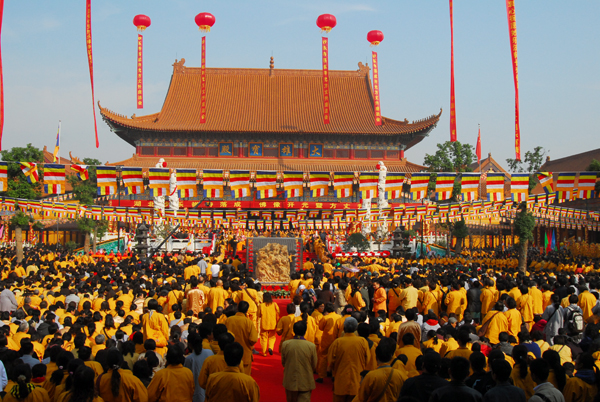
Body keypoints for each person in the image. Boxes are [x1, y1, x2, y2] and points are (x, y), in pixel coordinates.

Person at [327, 317, 371, 402]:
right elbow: (367, 360)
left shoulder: (337, 342)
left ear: (344, 328)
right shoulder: (362, 341)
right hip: (357, 381)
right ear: (356, 329)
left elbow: (331, 362)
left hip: (341, 381)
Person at [354, 337, 406, 402]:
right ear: (391, 356)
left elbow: (362, 397)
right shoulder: (400, 375)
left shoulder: (370, 376)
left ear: (376, 357)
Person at [281, 321, 318, 402]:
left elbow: (283, 362)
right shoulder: (311, 346)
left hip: (290, 379)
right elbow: (314, 364)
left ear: (293, 330)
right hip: (306, 379)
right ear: (305, 331)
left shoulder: (286, 344)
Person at [224, 300, 258, 375]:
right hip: (245, 354)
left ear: (237, 308)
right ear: (247, 310)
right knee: (244, 378)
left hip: (230, 353)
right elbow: (253, 339)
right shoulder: (248, 322)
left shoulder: (229, 320)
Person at [184, 332, 214, 402]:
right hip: (210, 390)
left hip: (196, 393)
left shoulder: (189, 358)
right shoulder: (209, 352)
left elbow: (187, 377)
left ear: (190, 344)